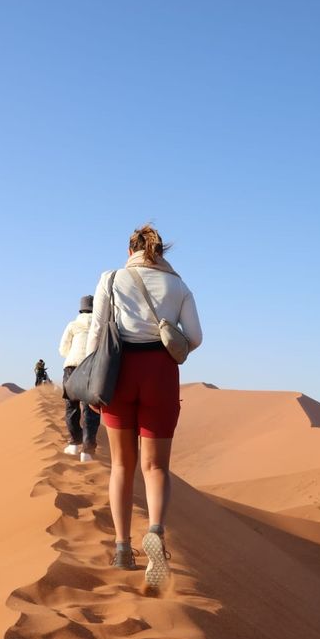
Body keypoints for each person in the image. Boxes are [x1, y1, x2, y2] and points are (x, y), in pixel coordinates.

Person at [86, 224, 202, 586]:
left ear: (130, 250)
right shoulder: (179, 286)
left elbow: (97, 331)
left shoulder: (111, 279)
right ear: (160, 252)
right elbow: (195, 338)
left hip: (119, 372)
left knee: (122, 464)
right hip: (161, 375)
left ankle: (123, 549)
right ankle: (155, 530)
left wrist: (94, 385)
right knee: (156, 468)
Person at [59, 295, 101, 462]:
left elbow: (63, 350)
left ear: (80, 309)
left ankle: (74, 443)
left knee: (71, 407)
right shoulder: (101, 325)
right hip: (92, 368)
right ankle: (88, 451)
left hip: (71, 367)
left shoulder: (73, 325)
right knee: (90, 409)